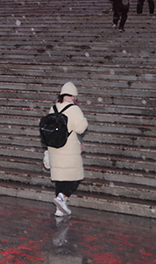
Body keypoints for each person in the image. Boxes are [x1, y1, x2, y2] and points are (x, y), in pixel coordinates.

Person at [44, 82, 88, 217]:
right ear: (73, 96)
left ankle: (60, 209)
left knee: (60, 179)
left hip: (55, 149)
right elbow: (81, 128)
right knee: (76, 178)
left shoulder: (53, 108)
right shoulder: (74, 109)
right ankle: (62, 197)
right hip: (69, 149)